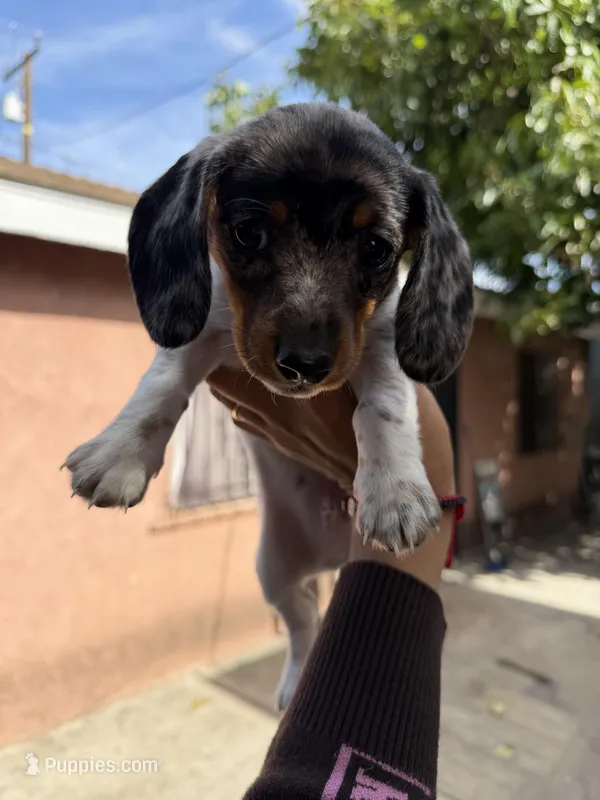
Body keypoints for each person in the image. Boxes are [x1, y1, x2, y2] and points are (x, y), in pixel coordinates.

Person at [207, 366, 459, 800]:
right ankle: (301, 636)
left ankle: (301, 638)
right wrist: (431, 486)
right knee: (275, 578)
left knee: (274, 576)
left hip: (352, 505)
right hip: (327, 510)